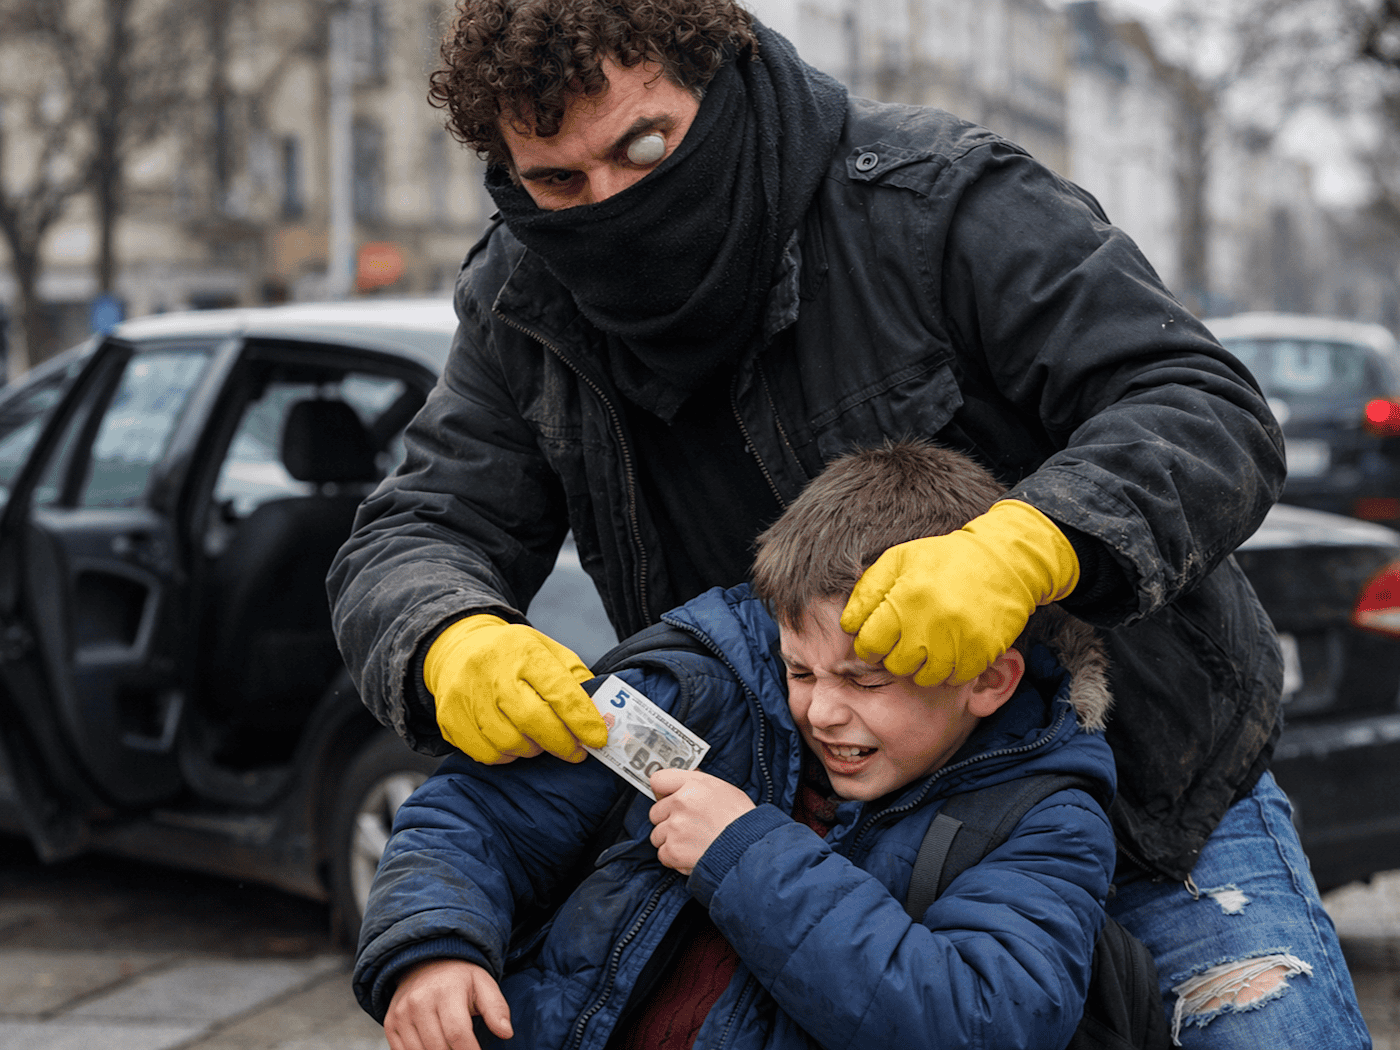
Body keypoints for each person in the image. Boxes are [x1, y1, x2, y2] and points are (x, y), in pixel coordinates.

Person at [326, 1, 1369, 1044]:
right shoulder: (525, 295)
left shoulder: (935, 198)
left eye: (644, 144)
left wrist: (1034, 545)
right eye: (559, 182)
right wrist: (443, 638)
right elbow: (416, 529)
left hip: (1149, 793)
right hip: (812, 833)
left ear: (719, 79)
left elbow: (1201, 404)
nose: (612, 203)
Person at [354, 440, 1123, 1050]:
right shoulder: (701, 691)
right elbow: (480, 820)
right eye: (799, 669)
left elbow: (982, 1022)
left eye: (865, 682)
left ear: (987, 681)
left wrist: (743, 851)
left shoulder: (1044, 814)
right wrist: (433, 947)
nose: (821, 710)